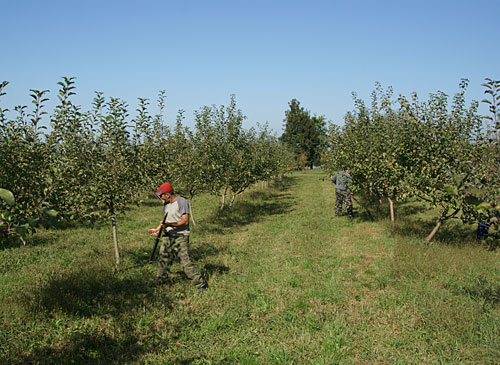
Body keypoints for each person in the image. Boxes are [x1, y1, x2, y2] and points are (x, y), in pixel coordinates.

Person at [149, 182, 208, 292]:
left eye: (161, 195)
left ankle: (200, 283)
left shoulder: (181, 201)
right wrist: (158, 230)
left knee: (185, 261)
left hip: (180, 236)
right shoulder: (166, 204)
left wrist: (169, 225)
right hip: (168, 236)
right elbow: (165, 220)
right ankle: (161, 281)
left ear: (168, 194)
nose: (161, 198)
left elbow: (185, 221)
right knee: (163, 259)